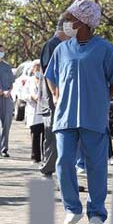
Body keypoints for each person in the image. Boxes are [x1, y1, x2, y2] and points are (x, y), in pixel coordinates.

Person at [45, 0, 113, 224]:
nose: (66, 23)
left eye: (70, 19)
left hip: (93, 116)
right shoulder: (62, 49)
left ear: (83, 22)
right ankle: (72, 208)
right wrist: (56, 95)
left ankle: (97, 213)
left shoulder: (104, 48)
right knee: (63, 162)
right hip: (65, 117)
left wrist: (103, 98)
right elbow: (50, 75)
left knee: (96, 165)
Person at [36, 17, 71, 179]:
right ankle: (48, 167)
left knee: (61, 136)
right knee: (51, 134)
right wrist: (56, 94)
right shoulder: (51, 45)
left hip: (64, 98)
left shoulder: (67, 45)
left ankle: (59, 169)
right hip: (52, 99)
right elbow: (49, 73)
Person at [22, 60, 46, 163]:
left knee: (45, 136)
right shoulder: (29, 81)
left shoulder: (45, 80)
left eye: (39, 68)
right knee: (35, 135)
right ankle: (35, 157)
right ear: (33, 69)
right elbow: (23, 94)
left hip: (44, 111)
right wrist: (31, 97)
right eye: (36, 68)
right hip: (33, 111)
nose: (38, 70)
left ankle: (46, 156)